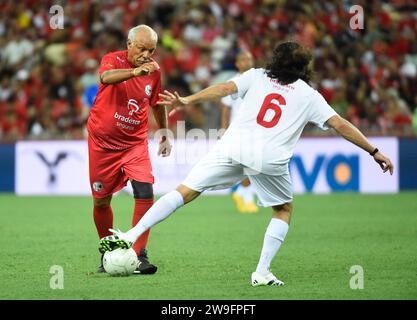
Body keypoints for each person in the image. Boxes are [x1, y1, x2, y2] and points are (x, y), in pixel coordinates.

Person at [99, 41, 394, 286]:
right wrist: (373, 150)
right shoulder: (310, 96)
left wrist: (188, 100)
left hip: (234, 146)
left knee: (185, 191)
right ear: (304, 68)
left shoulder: (258, 75)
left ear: (276, 60)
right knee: (283, 209)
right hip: (270, 158)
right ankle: (262, 272)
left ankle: (131, 234)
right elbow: (341, 125)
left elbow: (224, 88)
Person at [88, 25, 171, 275]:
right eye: (142, 48)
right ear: (129, 44)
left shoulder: (154, 71)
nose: (147, 54)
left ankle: (139, 254)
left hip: (134, 143)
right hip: (102, 145)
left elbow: (156, 103)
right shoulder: (111, 60)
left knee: (145, 189)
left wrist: (164, 132)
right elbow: (105, 78)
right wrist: (135, 72)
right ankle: (107, 250)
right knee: (101, 201)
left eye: (152, 50)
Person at [220, 49, 258, 213]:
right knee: (247, 165)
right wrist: (224, 130)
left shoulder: (259, 81)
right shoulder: (233, 82)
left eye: (249, 59)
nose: (247, 62)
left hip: (256, 129)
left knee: (252, 165)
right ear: (237, 63)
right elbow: (226, 108)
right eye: (243, 59)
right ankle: (247, 196)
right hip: (238, 130)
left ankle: (243, 193)